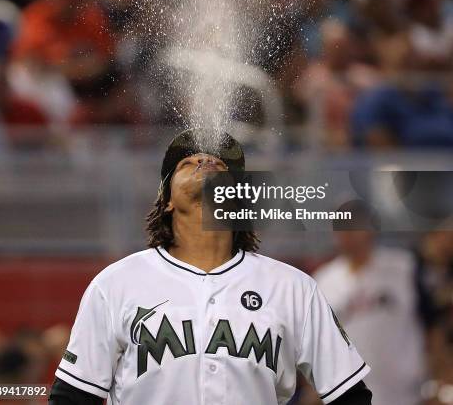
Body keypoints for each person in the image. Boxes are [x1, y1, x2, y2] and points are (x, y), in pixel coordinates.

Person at [49, 128, 372, 405]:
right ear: (168, 201)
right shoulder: (116, 284)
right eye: (188, 163)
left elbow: (350, 395)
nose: (204, 161)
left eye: (218, 164)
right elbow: (72, 397)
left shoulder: (292, 287)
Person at [314, 211, 425, 405]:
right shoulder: (323, 280)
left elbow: (432, 321)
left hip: (406, 390)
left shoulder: (405, 267)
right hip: (350, 391)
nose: (349, 234)